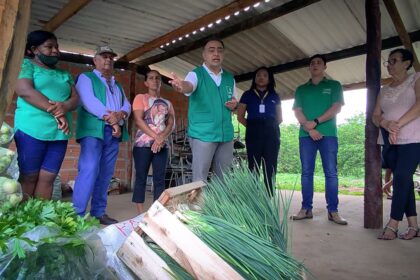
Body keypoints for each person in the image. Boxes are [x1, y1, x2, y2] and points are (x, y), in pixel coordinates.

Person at [14, 30, 79, 199]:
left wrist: (65, 106)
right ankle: (24, 219)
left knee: (48, 177)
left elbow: (76, 99)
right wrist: (58, 112)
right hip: (31, 128)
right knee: (29, 176)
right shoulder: (26, 65)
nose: (55, 50)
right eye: (49, 47)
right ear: (34, 49)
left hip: (59, 133)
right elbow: (24, 90)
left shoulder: (64, 74)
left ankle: (40, 218)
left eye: (56, 47)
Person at [72, 46, 131, 225]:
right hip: (93, 130)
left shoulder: (116, 83)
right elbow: (90, 102)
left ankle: (99, 212)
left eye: (111, 58)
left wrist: (121, 114)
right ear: (95, 61)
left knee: (106, 173)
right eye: (103, 57)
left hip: (113, 132)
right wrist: (112, 119)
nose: (108, 60)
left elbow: (126, 104)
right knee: (89, 169)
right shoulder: (86, 78)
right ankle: (77, 214)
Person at [169, 38, 238, 182]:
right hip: (202, 134)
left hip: (226, 135)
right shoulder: (196, 74)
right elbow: (188, 85)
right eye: (211, 50)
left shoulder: (229, 78)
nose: (216, 53)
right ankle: (198, 205)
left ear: (224, 54)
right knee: (200, 179)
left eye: (219, 50)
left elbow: (234, 101)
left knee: (224, 180)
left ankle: (219, 205)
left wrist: (234, 105)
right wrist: (181, 86)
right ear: (204, 55)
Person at [291, 54, 347, 225]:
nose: (315, 65)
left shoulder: (334, 85)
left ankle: (333, 211)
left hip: (328, 135)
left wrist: (315, 123)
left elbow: (336, 108)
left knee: (331, 173)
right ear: (309, 67)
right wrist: (310, 130)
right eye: (312, 63)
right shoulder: (301, 89)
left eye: (318, 63)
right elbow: (297, 111)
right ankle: (306, 209)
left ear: (324, 67)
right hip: (306, 136)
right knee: (306, 173)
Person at [373, 48, 420, 240]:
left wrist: (397, 125)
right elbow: (375, 115)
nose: (389, 64)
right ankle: (414, 226)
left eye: (393, 60)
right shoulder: (384, 90)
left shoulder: (416, 78)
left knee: (401, 176)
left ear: (407, 63)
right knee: (404, 180)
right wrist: (386, 123)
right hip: (389, 140)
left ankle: (393, 223)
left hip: (413, 137)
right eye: (388, 62)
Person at [132, 70, 175, 214]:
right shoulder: (140, 98)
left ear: (160, 82)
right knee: (141, 177)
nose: (154, 80)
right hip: (142, 145)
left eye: (157, 78)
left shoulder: (168, 103)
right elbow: (138, 120)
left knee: (159, 179)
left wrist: (161, 137)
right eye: (151, 78)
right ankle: (139, 214)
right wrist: (156, 136)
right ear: (146, 82)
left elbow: (170, 123)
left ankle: (156, 213)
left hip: (162, 145)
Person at [237, 67, 282, 196]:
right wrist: (253, 127)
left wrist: (269, 127)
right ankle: (253, 198)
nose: (261, 77)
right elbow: (240, 117)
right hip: (253, 132)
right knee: (253, 165)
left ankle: (269, 197)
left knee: (270, 166)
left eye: (264, 75)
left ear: (269, 79)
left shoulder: (275, 95)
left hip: (272, 133)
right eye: (258, 75)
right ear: (254, 78)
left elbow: (280, 118)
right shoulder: (247, 94)